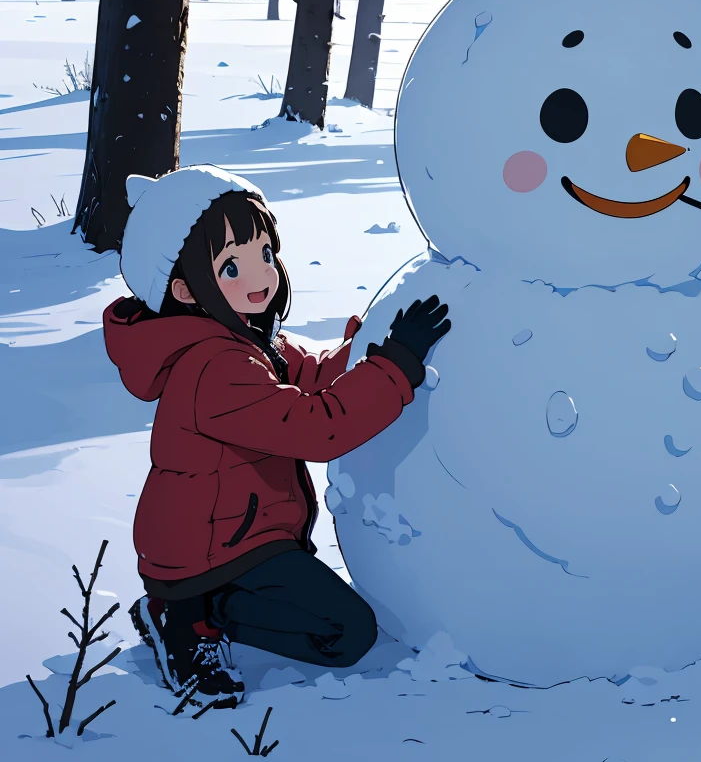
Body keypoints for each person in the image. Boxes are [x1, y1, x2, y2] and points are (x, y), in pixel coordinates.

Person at [104, 165, 450, 705]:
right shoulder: (215, 368)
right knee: (346, 633)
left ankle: (207, 605)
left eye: (265, 253)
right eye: (232, 266)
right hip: (206, 558)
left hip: (242, 537)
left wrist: (367, 350)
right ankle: (187, 615)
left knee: (342, 623)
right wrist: (393, 366)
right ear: (184, 289)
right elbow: (319, 429)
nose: (260, 275)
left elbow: (310, 375)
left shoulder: (244, 339)